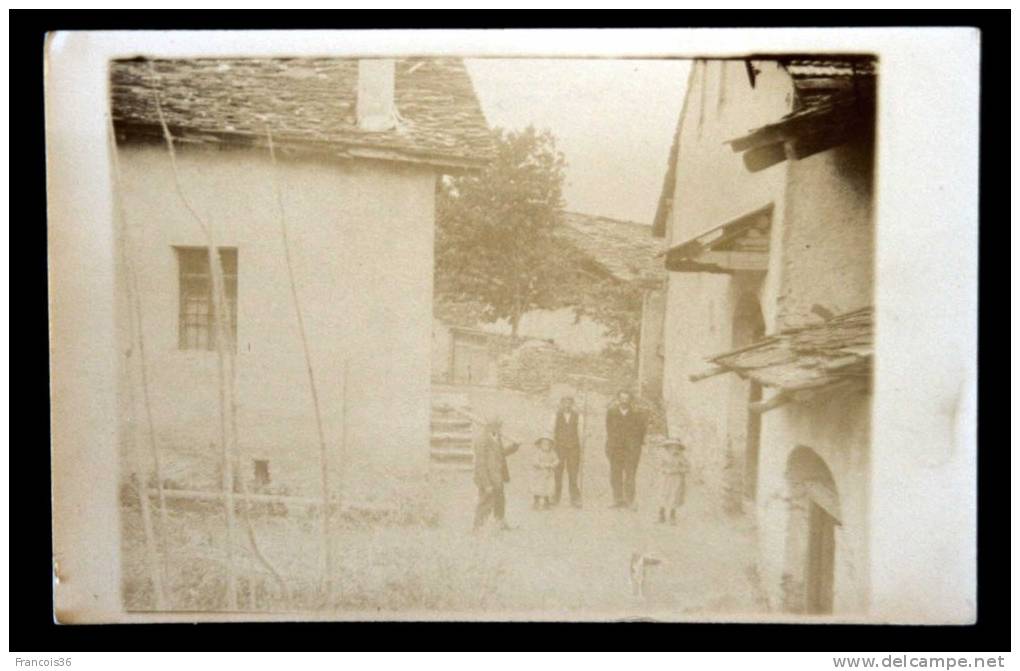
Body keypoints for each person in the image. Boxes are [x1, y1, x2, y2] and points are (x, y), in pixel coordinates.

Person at [472, 415, 520, 531]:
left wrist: (514, 447)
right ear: (488, 426)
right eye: (496, 425)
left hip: (498, 477)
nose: (499, 428)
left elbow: (501, 454)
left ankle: (500, 523)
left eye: (499, 426)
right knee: (486, 502)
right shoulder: (481, 441)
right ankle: (477, 527)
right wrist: (487, 484)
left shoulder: (496, 437)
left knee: (500, 501)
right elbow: (480, 465)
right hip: (487, 478)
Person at [605, 390, 647, 509]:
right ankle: (617, 499)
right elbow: (608, 429)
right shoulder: (611, 412)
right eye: (622, 399)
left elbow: (642, 431)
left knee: (630, 475)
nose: (624, 401)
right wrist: (610, 446)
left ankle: (630, 500)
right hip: (616, 448)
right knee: (615, 475)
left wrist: (636, 445)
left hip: (631, 449)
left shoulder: (637, 414)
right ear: (618, 399)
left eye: (627, 399)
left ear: (630, 400)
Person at [551, 395, 583, 508]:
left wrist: (582, 444)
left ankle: (575, 498)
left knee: (573, 473)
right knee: (558, 473)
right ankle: (556, 497)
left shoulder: (578, 416)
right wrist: (551, 445)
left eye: (569, 403)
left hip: (574, 448)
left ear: (572, 404)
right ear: (561, 404)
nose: (567, 405)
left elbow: (580, 431)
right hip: (559, 447)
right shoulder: (556, 415)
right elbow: (551, 430)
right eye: (565, 402)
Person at [655, 438, 690, 525]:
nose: (674, 449)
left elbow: (687, 467)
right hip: (665, 479)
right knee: (663, 495)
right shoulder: (664, 457)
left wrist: (679, 470)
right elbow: (660, 466)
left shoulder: (681, 457)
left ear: (679, 448)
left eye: (676, 447)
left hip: (677, 480)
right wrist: (665, 470)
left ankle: (672, 516)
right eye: (671, 447)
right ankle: (661, 515)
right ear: (668, 447)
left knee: (674, 496)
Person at [531, 437, 560, 510]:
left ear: (551, 445)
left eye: (548, 444)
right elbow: (535, 462)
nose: (546, 446)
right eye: (544, 444)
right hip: (539, 474)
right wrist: (542, 465)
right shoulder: (538, 453)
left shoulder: (552, 453)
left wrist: (553, 464)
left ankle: (546, 502)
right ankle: (536, 502)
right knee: (538, 487)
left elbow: (557, 460)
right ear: (540, 445)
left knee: (548, 488)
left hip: (548, 474)